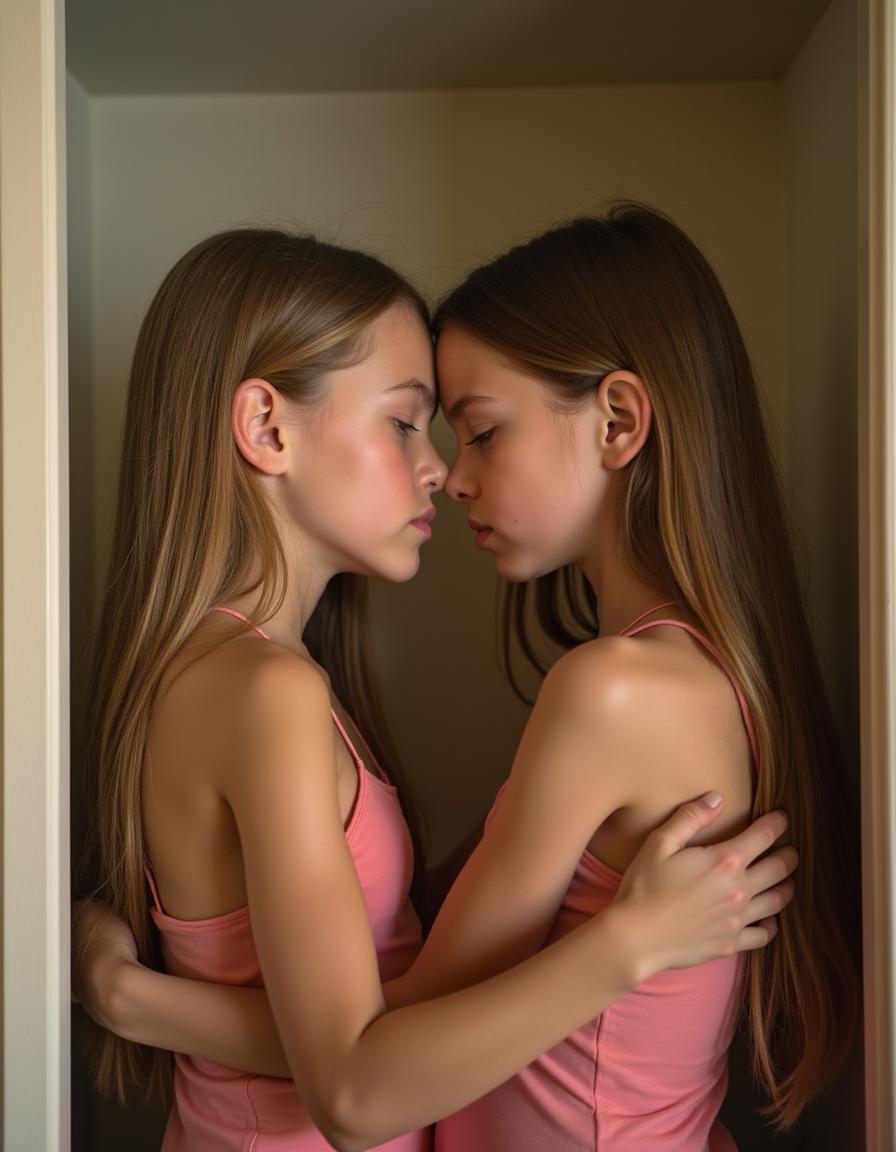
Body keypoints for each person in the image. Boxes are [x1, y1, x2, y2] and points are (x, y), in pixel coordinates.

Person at [73, 224, 797, 1152]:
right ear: (265, 427)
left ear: (621, 421)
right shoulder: (267, 691)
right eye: (406, 422)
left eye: (474, 431)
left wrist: (133, 997)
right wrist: (628, 945)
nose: (443, 473)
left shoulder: (614, 687)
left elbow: (368, 1042)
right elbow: (360, 1060)